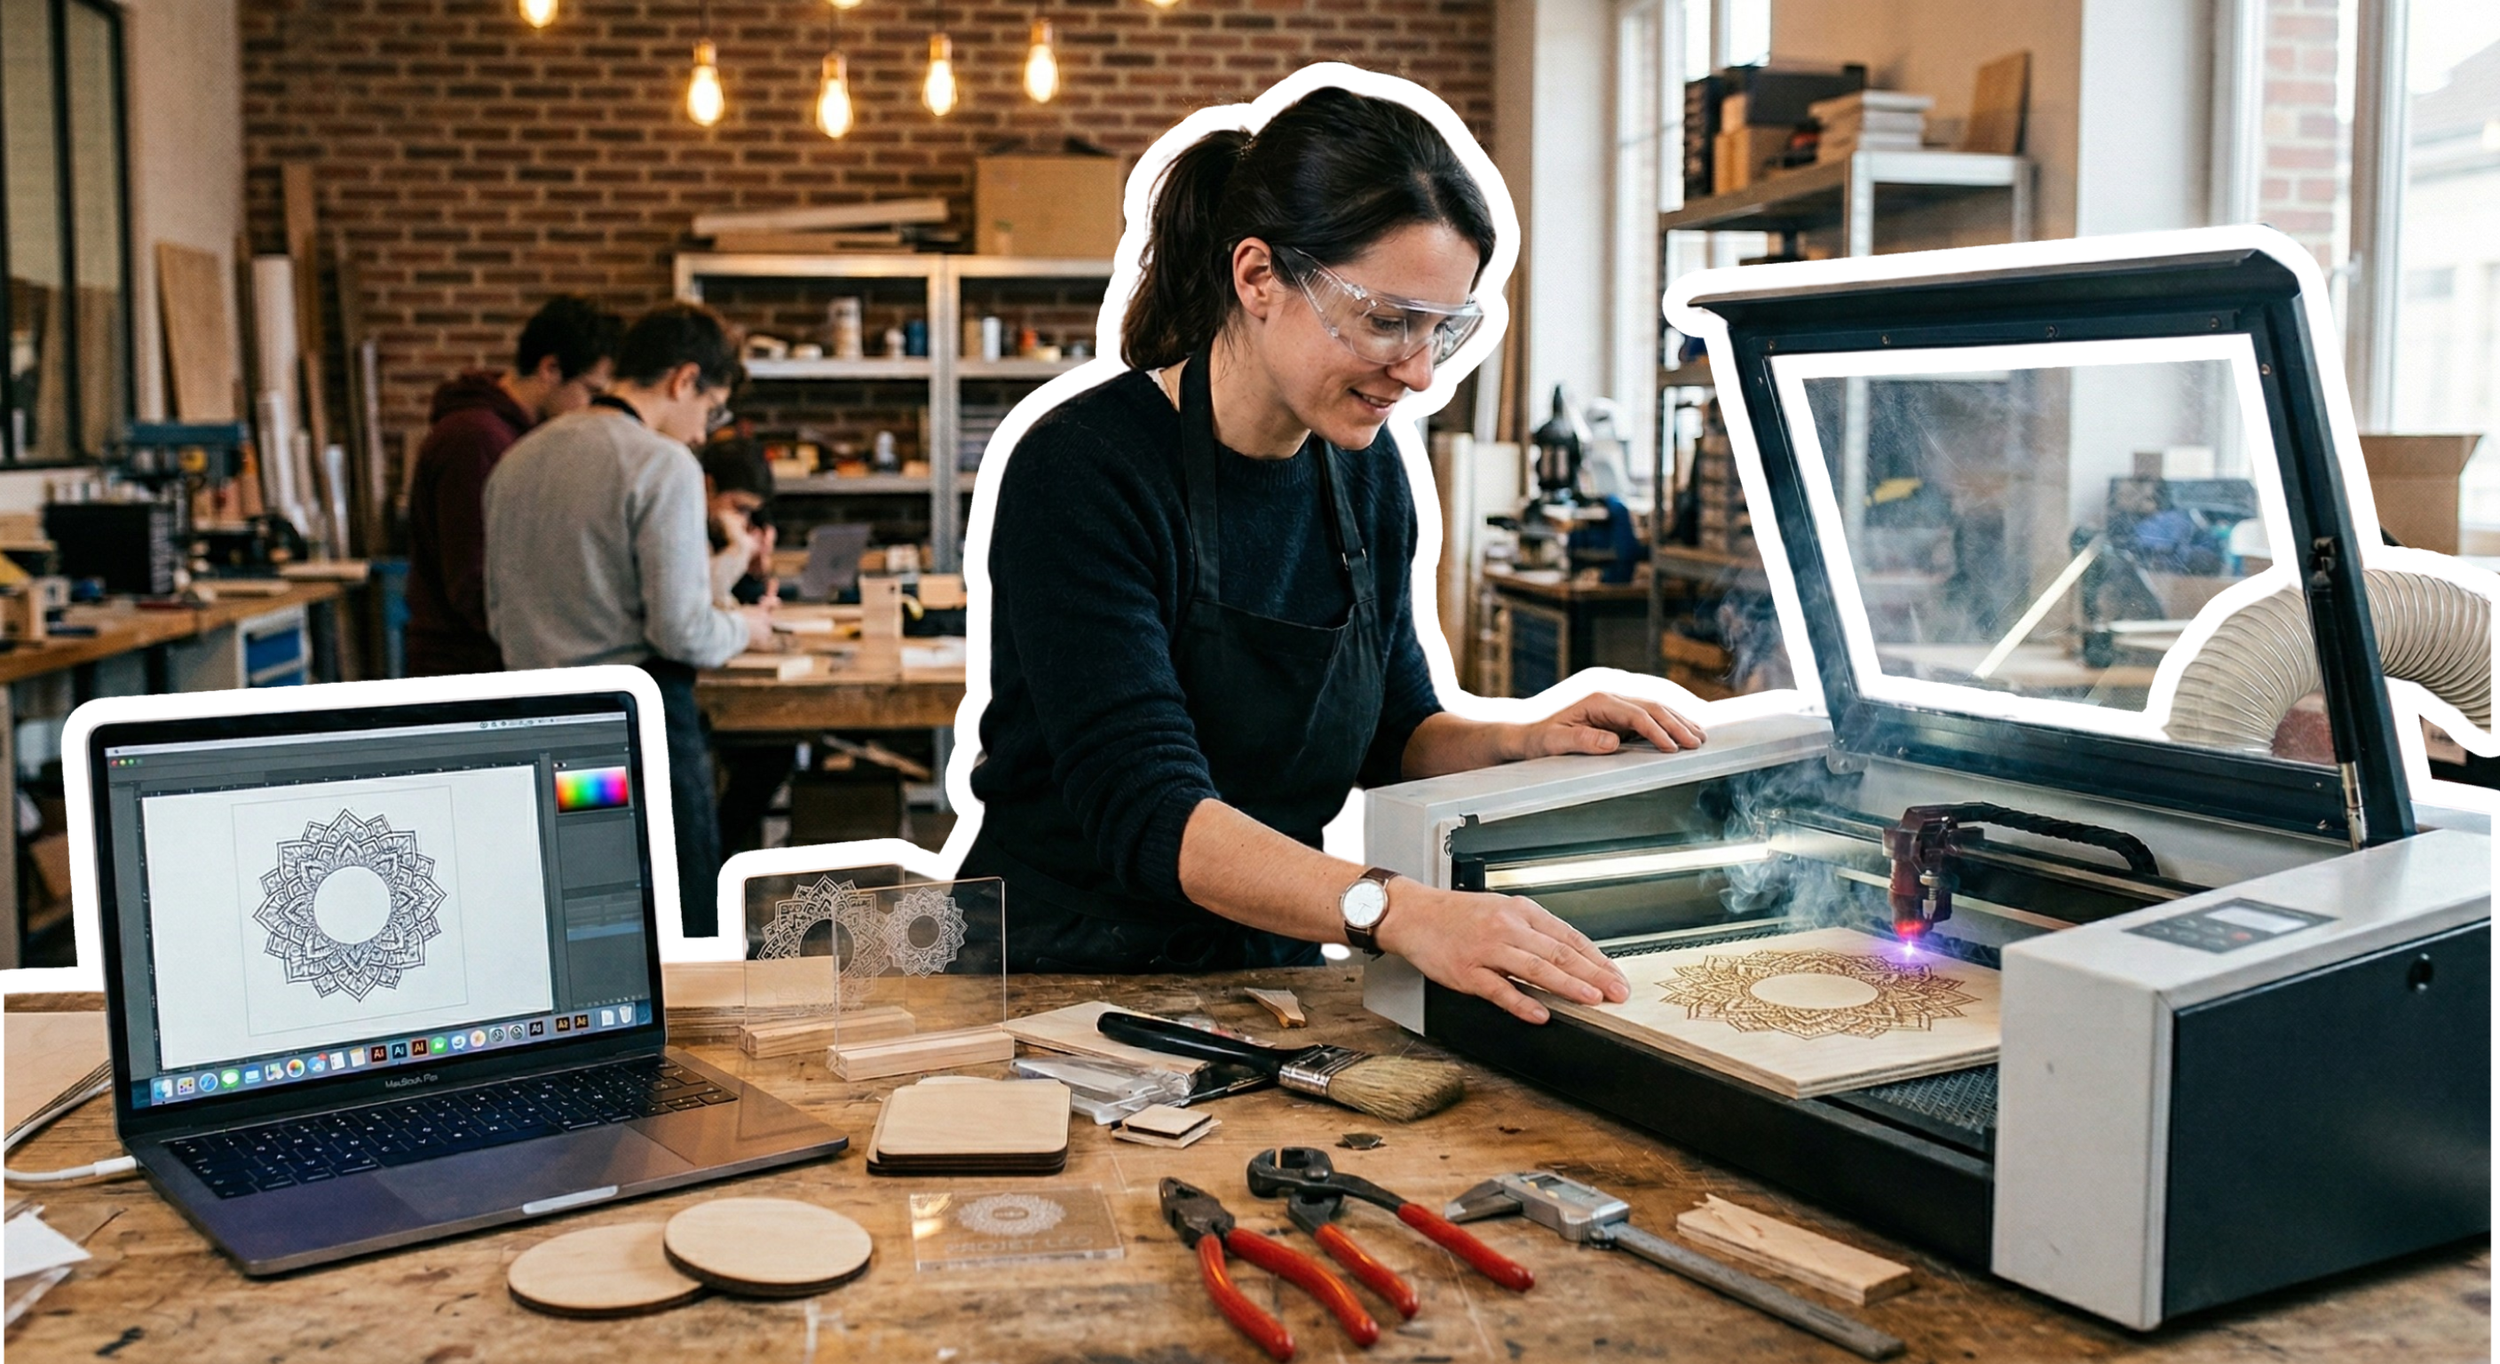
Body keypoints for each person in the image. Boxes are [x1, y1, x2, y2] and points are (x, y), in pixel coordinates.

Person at [963, 86, 1707, 1025]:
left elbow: (1392, 731)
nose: (1422, 372)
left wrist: (1524, 737)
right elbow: (1148, 810)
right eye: (1388, 320)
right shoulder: (1084, 470)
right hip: (1052, 986)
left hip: (1271, 983)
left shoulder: (1364, 473)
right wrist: (1397, 910)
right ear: (1259, 277)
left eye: (1443, 328)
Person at [483, 302, 772, 936]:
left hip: (537, 721)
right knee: (678, 918)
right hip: (635, 727)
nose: (702, 433)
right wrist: (745, 630)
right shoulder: (661, 463)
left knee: (584, 913)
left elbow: (499, 613)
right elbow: (683, 631)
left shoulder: (518, 460)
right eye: (710, 408)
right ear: (683, 380)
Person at [404, 296, 623, 677]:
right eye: (591, 392)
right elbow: (475, 581)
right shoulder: (475, 439)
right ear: (551, 368)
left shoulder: (519, 437)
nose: (594, 412)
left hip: (497, 659)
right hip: (467, 673)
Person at [697, 436, 779, 607]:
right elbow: (700, 599)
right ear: (708, 485)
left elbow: (745, 595)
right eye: (739, 507)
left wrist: (756, 575)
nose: (743, 519)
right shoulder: (683, 525)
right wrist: (739, 549)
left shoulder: (750, 521)